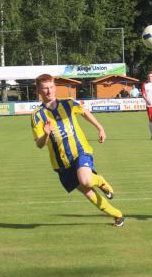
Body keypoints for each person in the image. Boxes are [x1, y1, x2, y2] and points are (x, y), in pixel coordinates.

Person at [31, 74, 125, 226]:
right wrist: (46, 135)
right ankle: (117, 215)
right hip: (62, 163)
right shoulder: (37, 116)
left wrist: (100, 127)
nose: (49, 91)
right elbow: (39, 144)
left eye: (51, 87)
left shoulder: (68, 104)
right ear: (39, 91)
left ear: (55, 87)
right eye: (45, 88)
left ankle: (100, 181)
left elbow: (84, 112)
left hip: (80, 151)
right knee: (88, 192)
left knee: (86, 180)